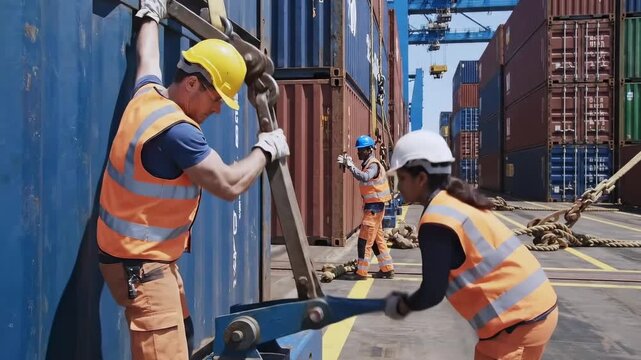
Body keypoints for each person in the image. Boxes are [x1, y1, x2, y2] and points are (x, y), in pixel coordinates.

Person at [96, 1, 290, 359]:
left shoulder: (148, 97)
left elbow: (147, 59)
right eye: (217, 99)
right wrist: (265, 149)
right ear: (191, 84)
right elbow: (229, 185)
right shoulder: (178, 133)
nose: (217, 109)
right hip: (141, 265)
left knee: (183, 332)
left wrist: (150, 16)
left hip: (137, 259)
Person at [382, 130, 558, 360]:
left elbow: (432, 292)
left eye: (402, 179)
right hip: (539, 310)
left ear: (422, 178)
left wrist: (403, 305)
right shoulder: (459, 201)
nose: (399, 187)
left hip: (515, 326)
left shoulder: (437, 222)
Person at [337, 135, 395, 280]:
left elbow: (364, 177)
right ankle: (387, 269)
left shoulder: (373, 165)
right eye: (358, 150)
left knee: (364, 240)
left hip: (374, 209)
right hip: (375, 207)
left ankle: (361, 272)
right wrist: (349, 165)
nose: (358, 153)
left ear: (369, 150)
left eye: (361, 150)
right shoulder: (369, 164)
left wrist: (350, 165)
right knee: (376, 240)